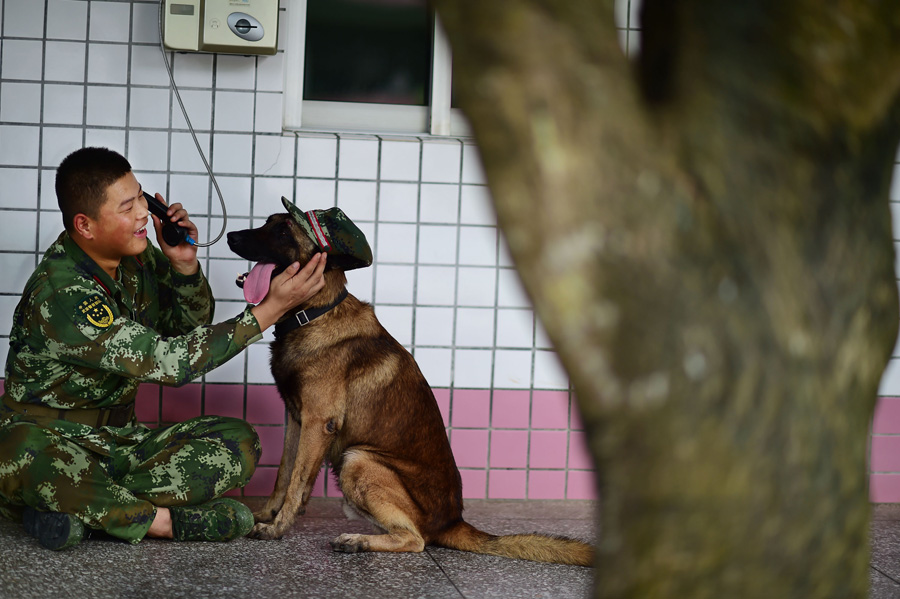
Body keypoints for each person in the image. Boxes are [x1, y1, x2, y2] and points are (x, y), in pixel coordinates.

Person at [0, 147, 326, 550]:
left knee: (238, 442)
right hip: (50, 440)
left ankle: (84, 508)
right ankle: (161, 522)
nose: (143, 213)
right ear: (85, 225)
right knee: (24, 454)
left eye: (141, 197)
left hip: (120, 442)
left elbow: (186, 329)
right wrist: (269, 310)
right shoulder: (64, 292)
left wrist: (183, 264)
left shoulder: (134, 259)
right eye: (127, 206)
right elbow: (170, 363)